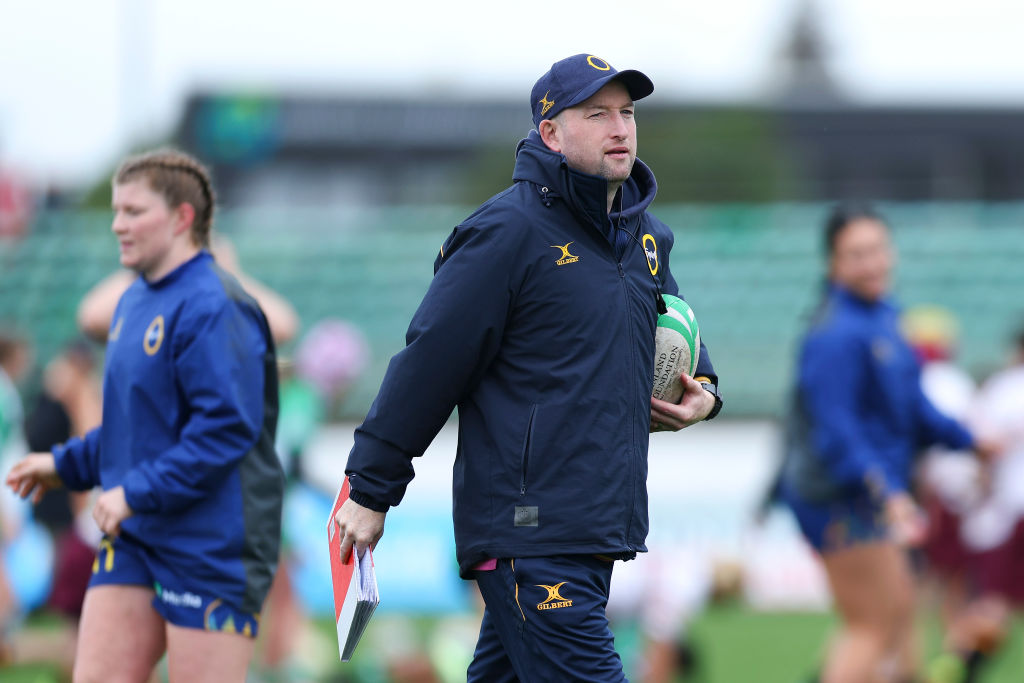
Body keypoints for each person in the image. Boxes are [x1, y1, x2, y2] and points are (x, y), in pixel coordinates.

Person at [333, 53, 721, 681]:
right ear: (550, 133)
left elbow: (673, 321)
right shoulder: (506, 231)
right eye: (597, 114)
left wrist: (703, 388)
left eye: (626, 113)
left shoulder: (645, 235)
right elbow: (430, 361)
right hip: (531, 534)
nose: (620, 128)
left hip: (592, 527)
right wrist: (371, 488)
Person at [5, 148, 283, 683]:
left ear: (182, 218)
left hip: (212, 544)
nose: (117, 225)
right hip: (135, 533)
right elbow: (138, 430)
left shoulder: (216, 304)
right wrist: (64, 465)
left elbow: (224, 432)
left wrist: (133, 493)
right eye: (115, 211)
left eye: (134, 212)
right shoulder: (133, 301)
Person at [777, 203, 998, 683]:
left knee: (898, 613)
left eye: (877, 249)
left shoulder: (884, 318)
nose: (871, 262)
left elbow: (913, 405)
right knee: (871, 625)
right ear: (834, 265)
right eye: (856, 254)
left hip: (868, 494)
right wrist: (887, 491)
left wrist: (971, 442)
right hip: (840, 497)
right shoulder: (834, 334)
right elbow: (838, 431)